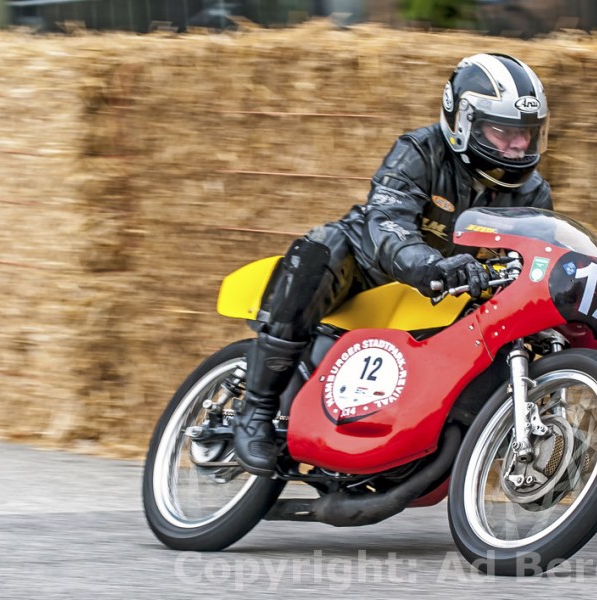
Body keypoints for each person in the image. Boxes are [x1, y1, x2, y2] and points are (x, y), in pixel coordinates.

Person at [232, 52, 553, 476]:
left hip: (448, 295)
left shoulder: (533, 194)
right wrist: (430, 264)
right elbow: (388, 222)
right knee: (317, 251)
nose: (517, 146)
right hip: (369, 266)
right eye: (502, 132)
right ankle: (254, 411)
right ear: (462, 123)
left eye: (526, 134)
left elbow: (534, 260)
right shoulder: (419, 151)